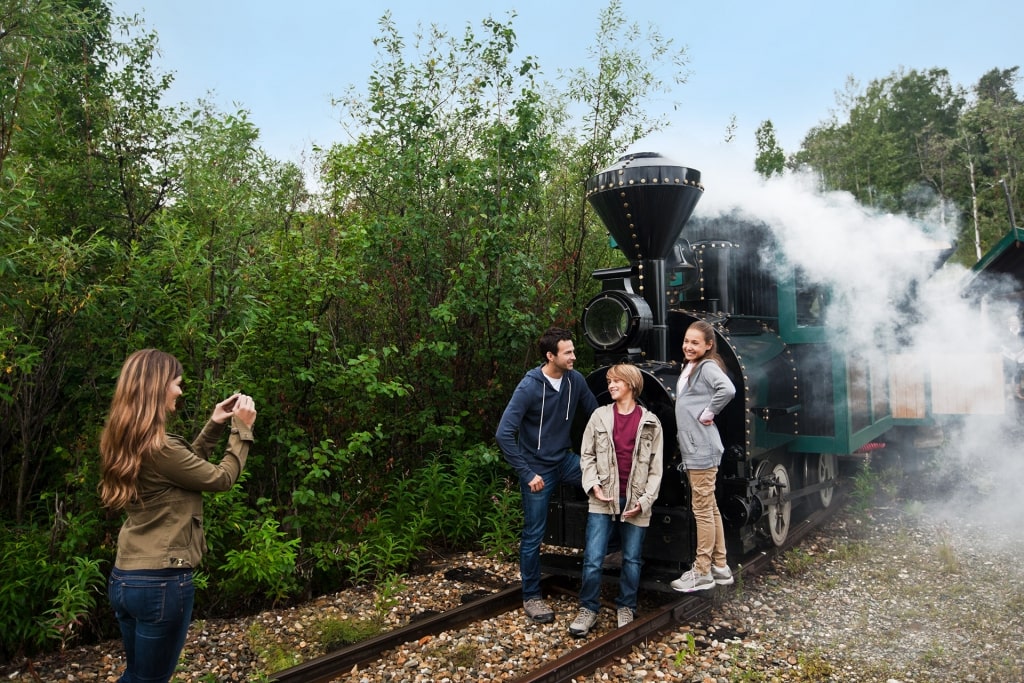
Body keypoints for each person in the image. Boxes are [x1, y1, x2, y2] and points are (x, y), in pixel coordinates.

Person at [99, 349, 257, 683]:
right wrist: (240, 430)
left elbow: (185, 470)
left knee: (138, 675)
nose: (180, 391)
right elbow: (219, 478)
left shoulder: (126, 440)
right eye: (177, 384)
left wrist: (214, 425)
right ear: (157, 387)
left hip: (126, 579)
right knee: (149, 680)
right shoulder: (160, 447)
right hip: (161, 583)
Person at [496, 326, 599, 623]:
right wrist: (527, 472)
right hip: (536, 469)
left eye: (573, 351)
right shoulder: (529, 387)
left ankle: (610, 550)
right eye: (568, 352)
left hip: (564, 461)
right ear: (550, 356)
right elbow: (504, 434)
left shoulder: (575, 381)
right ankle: (531, 596)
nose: (574, 357)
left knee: (603, 482)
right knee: (534, 534)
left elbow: (595, 415)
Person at [568, 364, 663, 637]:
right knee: (594, 558)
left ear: (631, 385)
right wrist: (593, 486)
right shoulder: (599, 417)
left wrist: (645, 501)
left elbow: (656, 469)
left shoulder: (650, 422)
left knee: (632, 559)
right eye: (609, 381)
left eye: (616, 381)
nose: (611, 386)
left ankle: (626, 607)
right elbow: (586, 456)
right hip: (603, 498)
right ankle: (588, 609)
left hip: (636, 500)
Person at [670, 321, 737, 593]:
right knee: (709, 507)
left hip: (701, 449)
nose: (688, 346)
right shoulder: (692, 367)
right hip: (697, 447)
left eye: (695, 342)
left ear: (709, 345)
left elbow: (728, 390)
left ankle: (702, 571)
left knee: (702, 510)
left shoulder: (708, 367)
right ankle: (720, 566)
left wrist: (709, 413)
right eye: (687, 341)